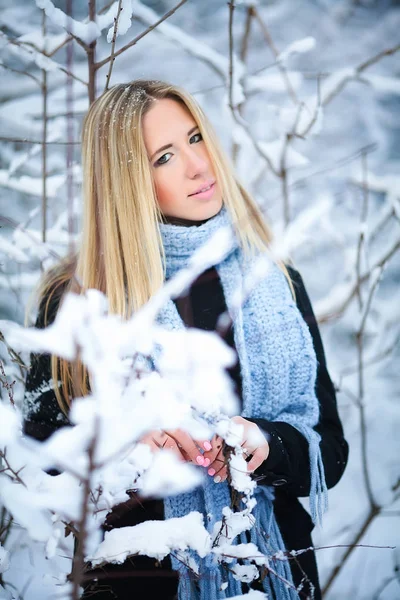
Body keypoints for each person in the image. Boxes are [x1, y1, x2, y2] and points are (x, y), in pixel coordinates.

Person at [23, 80, 349, 600]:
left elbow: (328, 454)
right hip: (140, 583)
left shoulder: (276, 282)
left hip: (276, 573)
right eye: (165, 156)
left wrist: (265, 443)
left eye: (196, 138)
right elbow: (35, 460)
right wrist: (124, 447)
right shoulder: (77, 301)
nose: (198, 165)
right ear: (125, 180)